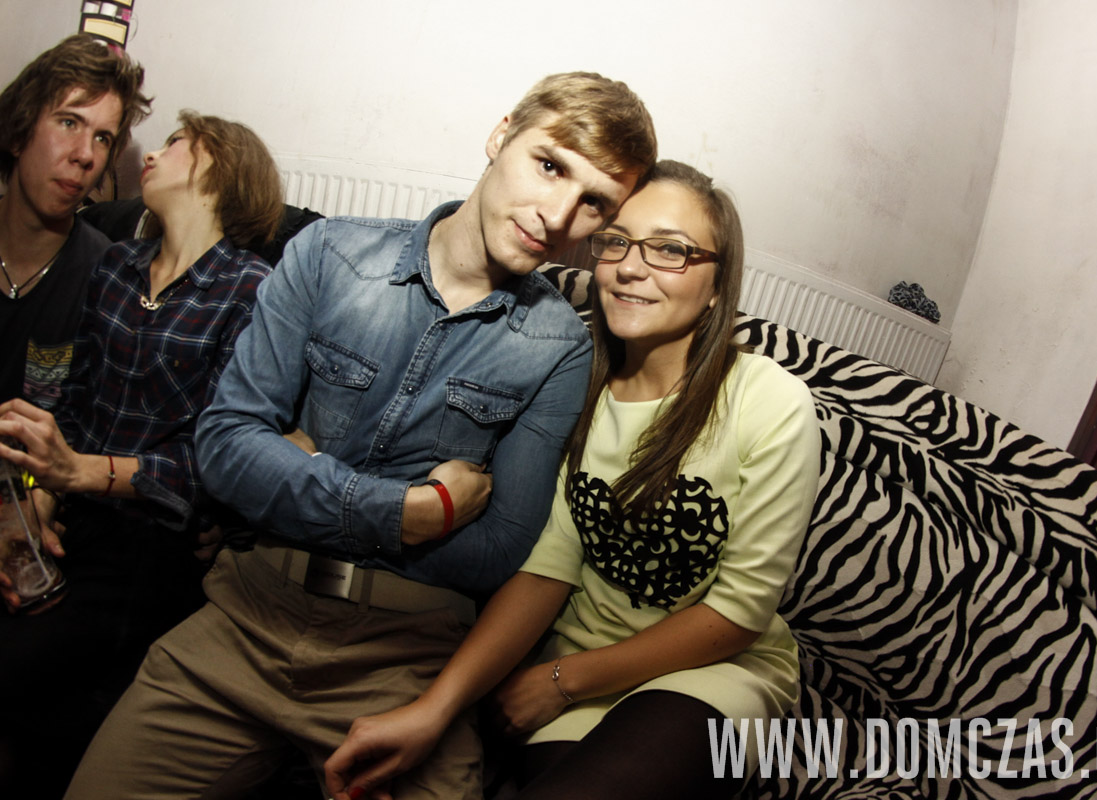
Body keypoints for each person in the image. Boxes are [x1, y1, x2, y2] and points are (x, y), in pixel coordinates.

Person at [64, 72, 656, 800]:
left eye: (594, 202)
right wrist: (416, 511)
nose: (559, 215)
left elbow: (500, 548)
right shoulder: (329, 254)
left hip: (404, 659)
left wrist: (301, 472)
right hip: (245, 618)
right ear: (501, 134)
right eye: (550, 165)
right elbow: (224, 449)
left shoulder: (559, 344)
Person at [323, 161, 821, 800]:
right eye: (617, 242)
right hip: (577, 667)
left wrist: (560, 681)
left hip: (715, 672)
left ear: (718, 285)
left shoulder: (770, 401)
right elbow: (547, 568)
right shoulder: (577, 382)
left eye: (670, 250)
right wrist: (435, 710)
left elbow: (739, 613)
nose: (631, 267)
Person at [0, 111, 283, 798]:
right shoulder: (118, 266)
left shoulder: (251, 289)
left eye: (178, 142)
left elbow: (221, 459)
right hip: (74, 518)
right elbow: (72, 403)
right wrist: (38, 501)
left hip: (157, 542)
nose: (150, 153)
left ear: (221, 169)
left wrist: (80, 473)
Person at [0, 34, 150, 410]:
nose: (85, 155)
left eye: (102, 138)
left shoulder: (108, 276)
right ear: (18, 132)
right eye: (69, 122)